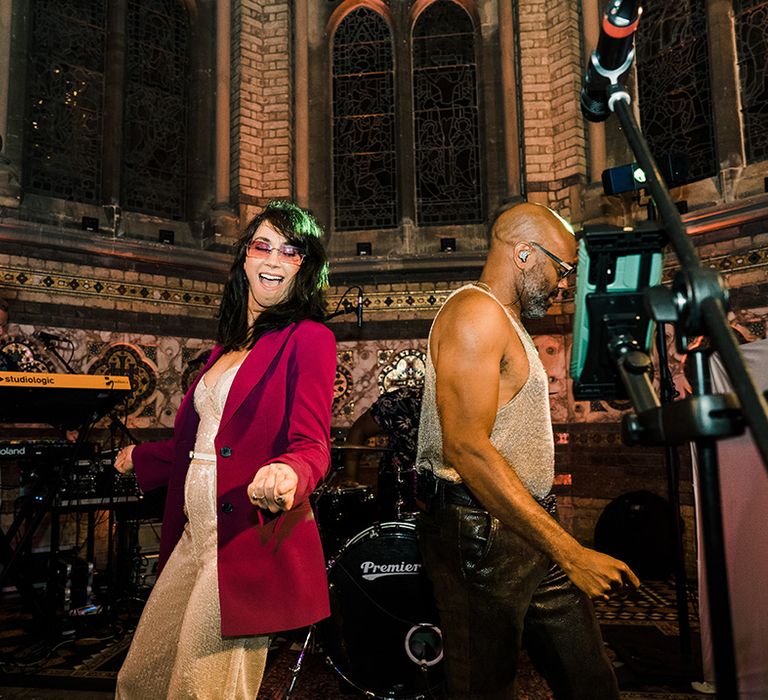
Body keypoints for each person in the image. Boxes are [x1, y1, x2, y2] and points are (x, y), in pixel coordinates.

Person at [415, 202, 640, 699]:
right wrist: (571, 551)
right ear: (522, 253)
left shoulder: (506, 320)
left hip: (526, 524)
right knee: (483, 689)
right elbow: (466, 449)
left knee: (591, 682)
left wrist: (557, 542)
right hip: (480, 534)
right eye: (562, 269)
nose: (565, 284)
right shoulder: (475, 314)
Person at [113, 201, 337, 699]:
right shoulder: (227, 347)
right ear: (245, 258)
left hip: (243, 539)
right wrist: (143, 457)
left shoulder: (310, 339)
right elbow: (207, 441)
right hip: (194, 536)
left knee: (201, 688)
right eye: (263, 246)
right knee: (142, 677)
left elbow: (312, 443)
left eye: (291, 251)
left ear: (305, 266)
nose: (274, 259)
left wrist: (289, 472)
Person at [340, 384, 422, 519]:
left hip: (446, 498)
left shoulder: (462, 405)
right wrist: (350, 478)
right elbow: (359, 431)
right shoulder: (402, 401)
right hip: (397, 493)